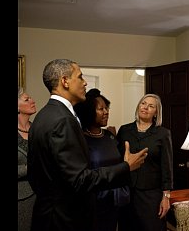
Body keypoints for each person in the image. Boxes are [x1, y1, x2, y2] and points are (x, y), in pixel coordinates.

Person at [27, 59, 148, 231]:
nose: (85, 83)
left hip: (48, 214)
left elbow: (36, 176)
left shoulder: (44, 115)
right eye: (80, 77)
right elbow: (80, 180)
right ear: (65, 81)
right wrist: (126, 167)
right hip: (64, 219)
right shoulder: (63, 120)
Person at [74, 88, 130, 231]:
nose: (106, 112)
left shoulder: (110, 136)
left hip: (115, 201)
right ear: (88, 112)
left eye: (107, 108)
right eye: (101, 109)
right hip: (92, 203)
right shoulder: (81, 139)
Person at [116, 93, 173, 231]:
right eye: (143, 103)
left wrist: (166, 197)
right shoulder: (124, 130)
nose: (145, 107)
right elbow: (117, 160)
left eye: (151, 106)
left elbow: (167, 167)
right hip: (127, 192)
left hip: (151, 195)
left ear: (156, 112)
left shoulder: (163, 133)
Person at [18, 87, 37, 231]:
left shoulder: (38, 128)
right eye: (26, 99)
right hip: (21, 200)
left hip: (43, 196)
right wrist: (29, 168)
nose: (32, 101)